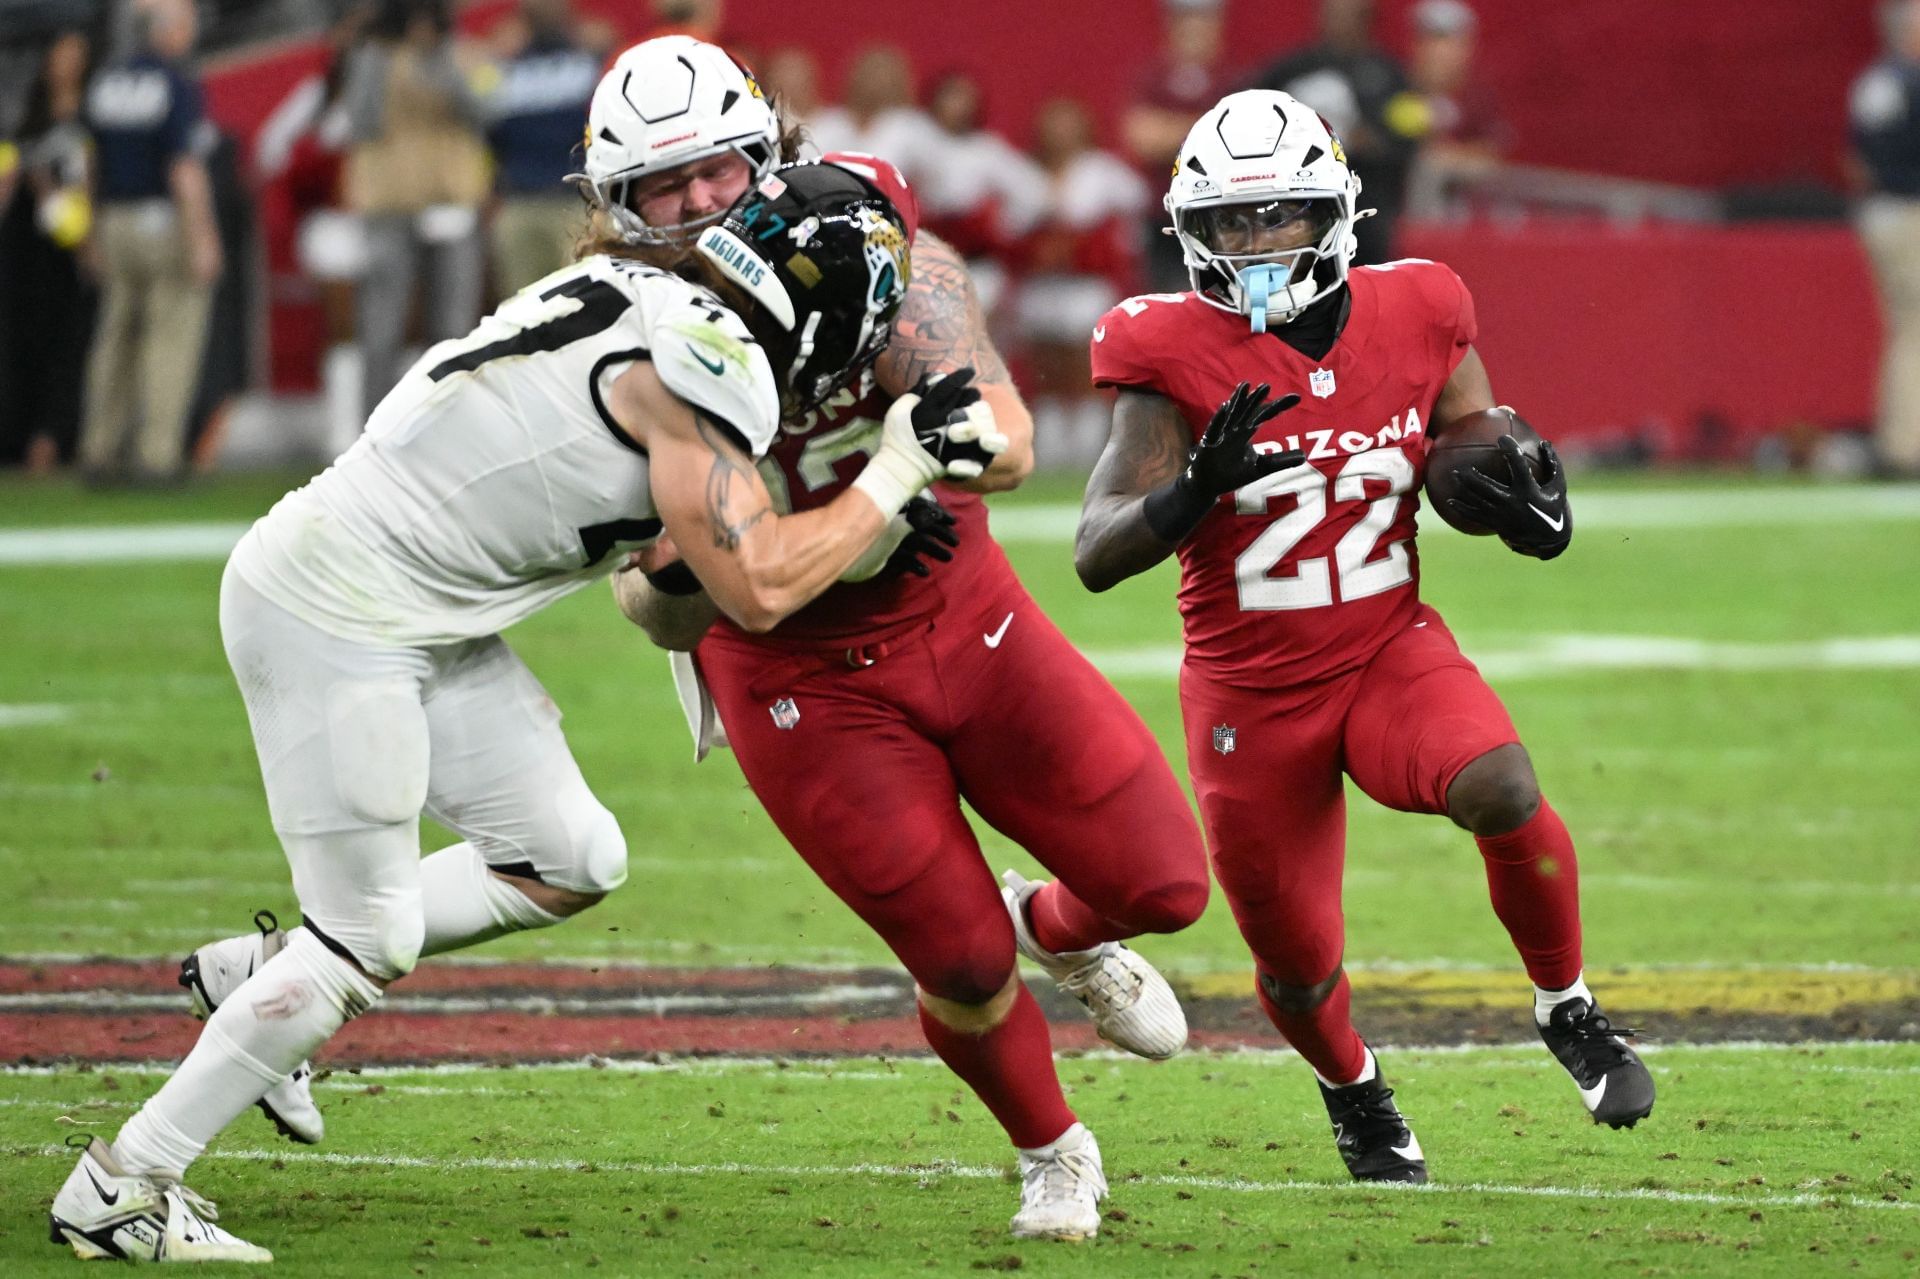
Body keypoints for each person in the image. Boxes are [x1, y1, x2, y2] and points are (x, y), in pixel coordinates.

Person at [46, 81, 995, 1256]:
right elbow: (754, 586)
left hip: (411, 604)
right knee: (371, 935)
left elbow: (666, 561)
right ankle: (124, 1182)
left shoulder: (637, 292)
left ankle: (267, 976)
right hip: (337, 610)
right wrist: (893, 473)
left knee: (571, 855)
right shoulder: (712, 362)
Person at [606, 35, 1211, 1244]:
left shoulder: (864, 242)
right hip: (791, 676)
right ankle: (1053, 1147)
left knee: (1164, 884)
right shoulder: (616, 348)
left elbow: (1015, 439)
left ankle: (1055, 927)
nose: (691, 205)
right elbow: (662, 605)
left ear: (762, 154)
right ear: (617, 209)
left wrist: (939, 440)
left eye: (713, 170)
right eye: (658, 188)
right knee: (960, 960)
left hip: (960, 612)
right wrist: (865, 504)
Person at [1076, 90, 1655, 1185]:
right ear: (1190, 231)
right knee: (1296, 970)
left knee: (1503, 785)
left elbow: (1475, 435)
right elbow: (1096, 552)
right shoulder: (1162, 350)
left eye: (1277, 216)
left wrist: (1523, 495)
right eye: (1231, 222)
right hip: (1251, 693)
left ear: (1333, 212)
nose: (1253, 243)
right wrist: (1193, 488)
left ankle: (1568, 1006)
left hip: (1388, 646)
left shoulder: (1423, 306)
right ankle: (1354, 1088)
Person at [75, 0, 221, 484]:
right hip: (162, 219)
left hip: (115, 218)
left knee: (114, 337)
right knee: (170, 335)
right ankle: (157, 454)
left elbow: (89, 165)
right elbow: (183, 167)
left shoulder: (105, 81)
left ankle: (98, 446)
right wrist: (202, 235)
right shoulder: (173, 84)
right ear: (164, 30)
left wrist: (92, 232)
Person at [340, 0, 490, 417]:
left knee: (453, 328)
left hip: (453, 202)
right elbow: (361, 118)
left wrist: (436, 58)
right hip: (389, 206)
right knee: (381, 328)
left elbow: (487, 108)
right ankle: (372, 430)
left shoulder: (467, 53)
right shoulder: (372, 56)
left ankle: (450, 424)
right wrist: (375, 51)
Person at [1248, 0, 1428, 266]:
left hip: (1365, 208)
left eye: (1350, 14)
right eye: (1334, 13)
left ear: (1367, 18)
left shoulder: (1389, 75)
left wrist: (1366, 142)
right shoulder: (1292, 69)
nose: (1340, 22)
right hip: (1296, 203)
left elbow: (1408, 140)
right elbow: (1251, 118)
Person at [0, 29, 95, 472]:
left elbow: (93, 184)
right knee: (22, 339)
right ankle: (19, 436)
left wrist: (86, 237)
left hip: (71, 248)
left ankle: (54, 437)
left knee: (69, 342)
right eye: (61, 56)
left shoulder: (90, 121)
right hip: (26, 250)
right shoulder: (29, 122)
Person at [478, 0, 607, 293]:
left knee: (582, 303)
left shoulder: (589, 61)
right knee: (520, 308)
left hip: (577, 203)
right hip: (520, 202)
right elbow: (486, 135)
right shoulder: (505, 68)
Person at [1851, 0, 1920, 477]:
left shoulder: (1875, 81)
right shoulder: (1912, 80)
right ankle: (1905, 446)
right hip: (1910, 209)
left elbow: (1853, 159)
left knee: (1906, 328)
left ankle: (1901, 439)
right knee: (1916, 330)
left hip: (1879, 209)